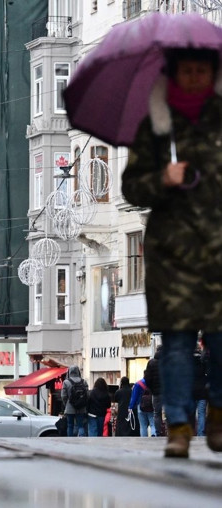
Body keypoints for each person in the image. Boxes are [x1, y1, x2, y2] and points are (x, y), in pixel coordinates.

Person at [122, 47, 222, 458]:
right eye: (187, 71)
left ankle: (217, 415)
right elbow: (131, 187)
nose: (195, 78)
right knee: (178, 345)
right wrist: (162, 177)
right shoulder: (156, 128)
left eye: (202, 71)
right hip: (172, 256)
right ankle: (179, 424)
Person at [61, 365, 88, 437]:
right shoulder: (83, 381)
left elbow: (63, 396)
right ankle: (82, 438)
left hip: (70, 407)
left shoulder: (66, 382)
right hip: (81, 407)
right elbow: (87, 395)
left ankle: (70, 441)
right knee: (80, 426)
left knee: (70, 425)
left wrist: (66, 404)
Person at [144, 345, 165, 436]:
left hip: (156, 393)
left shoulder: (151, 363)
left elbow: (147, 379)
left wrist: (151, 388)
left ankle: (158, 433)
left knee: (157, 413)